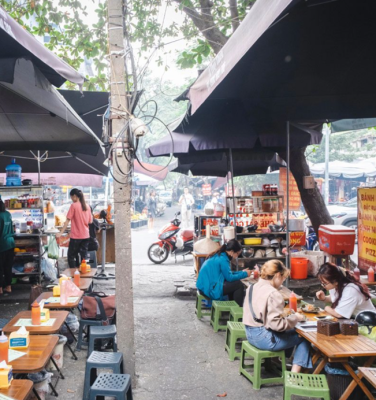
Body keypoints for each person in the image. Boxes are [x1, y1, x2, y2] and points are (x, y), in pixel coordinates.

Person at [243, 260, 312, 373]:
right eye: (283, 279)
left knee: (291, 330)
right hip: (263, 339)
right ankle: (294, 375)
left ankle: (276, 360)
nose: (282, 282)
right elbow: (277, 325)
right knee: (303, 337)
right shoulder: (274, 294)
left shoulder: (252, 287)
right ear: (277, 275)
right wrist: (295, 318)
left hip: (250, 334)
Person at [196, 239, 251, 306]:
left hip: (203, 287)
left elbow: (228, 273)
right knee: (238, 285)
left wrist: (242, 272)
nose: (237, 256)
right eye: (237, 254)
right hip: (208, 289)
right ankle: (238, 311)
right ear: (231, 251)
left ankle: (232, 310)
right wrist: (245, 274)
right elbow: (229, 278)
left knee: (234, 284)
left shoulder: (220, 255)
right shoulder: (223, 259)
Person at [56, 188, 92, 268]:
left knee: (71, 256)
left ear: (75, 196)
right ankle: (83, 275)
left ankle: (74, 275)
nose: (71, 199)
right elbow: (90, 221)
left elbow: (67, 221)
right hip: (86, 236)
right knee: (83, 258)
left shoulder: (74, 206)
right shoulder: (87, 206)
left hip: (76, 237)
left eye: (71, 197)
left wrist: (61, 233)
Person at [0, 196, 15, 296]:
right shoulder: (8, 214)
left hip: (2, 244)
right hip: (11, 243)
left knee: (0, 267)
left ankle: (0, 288)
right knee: (8, 266)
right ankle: (8, 287)